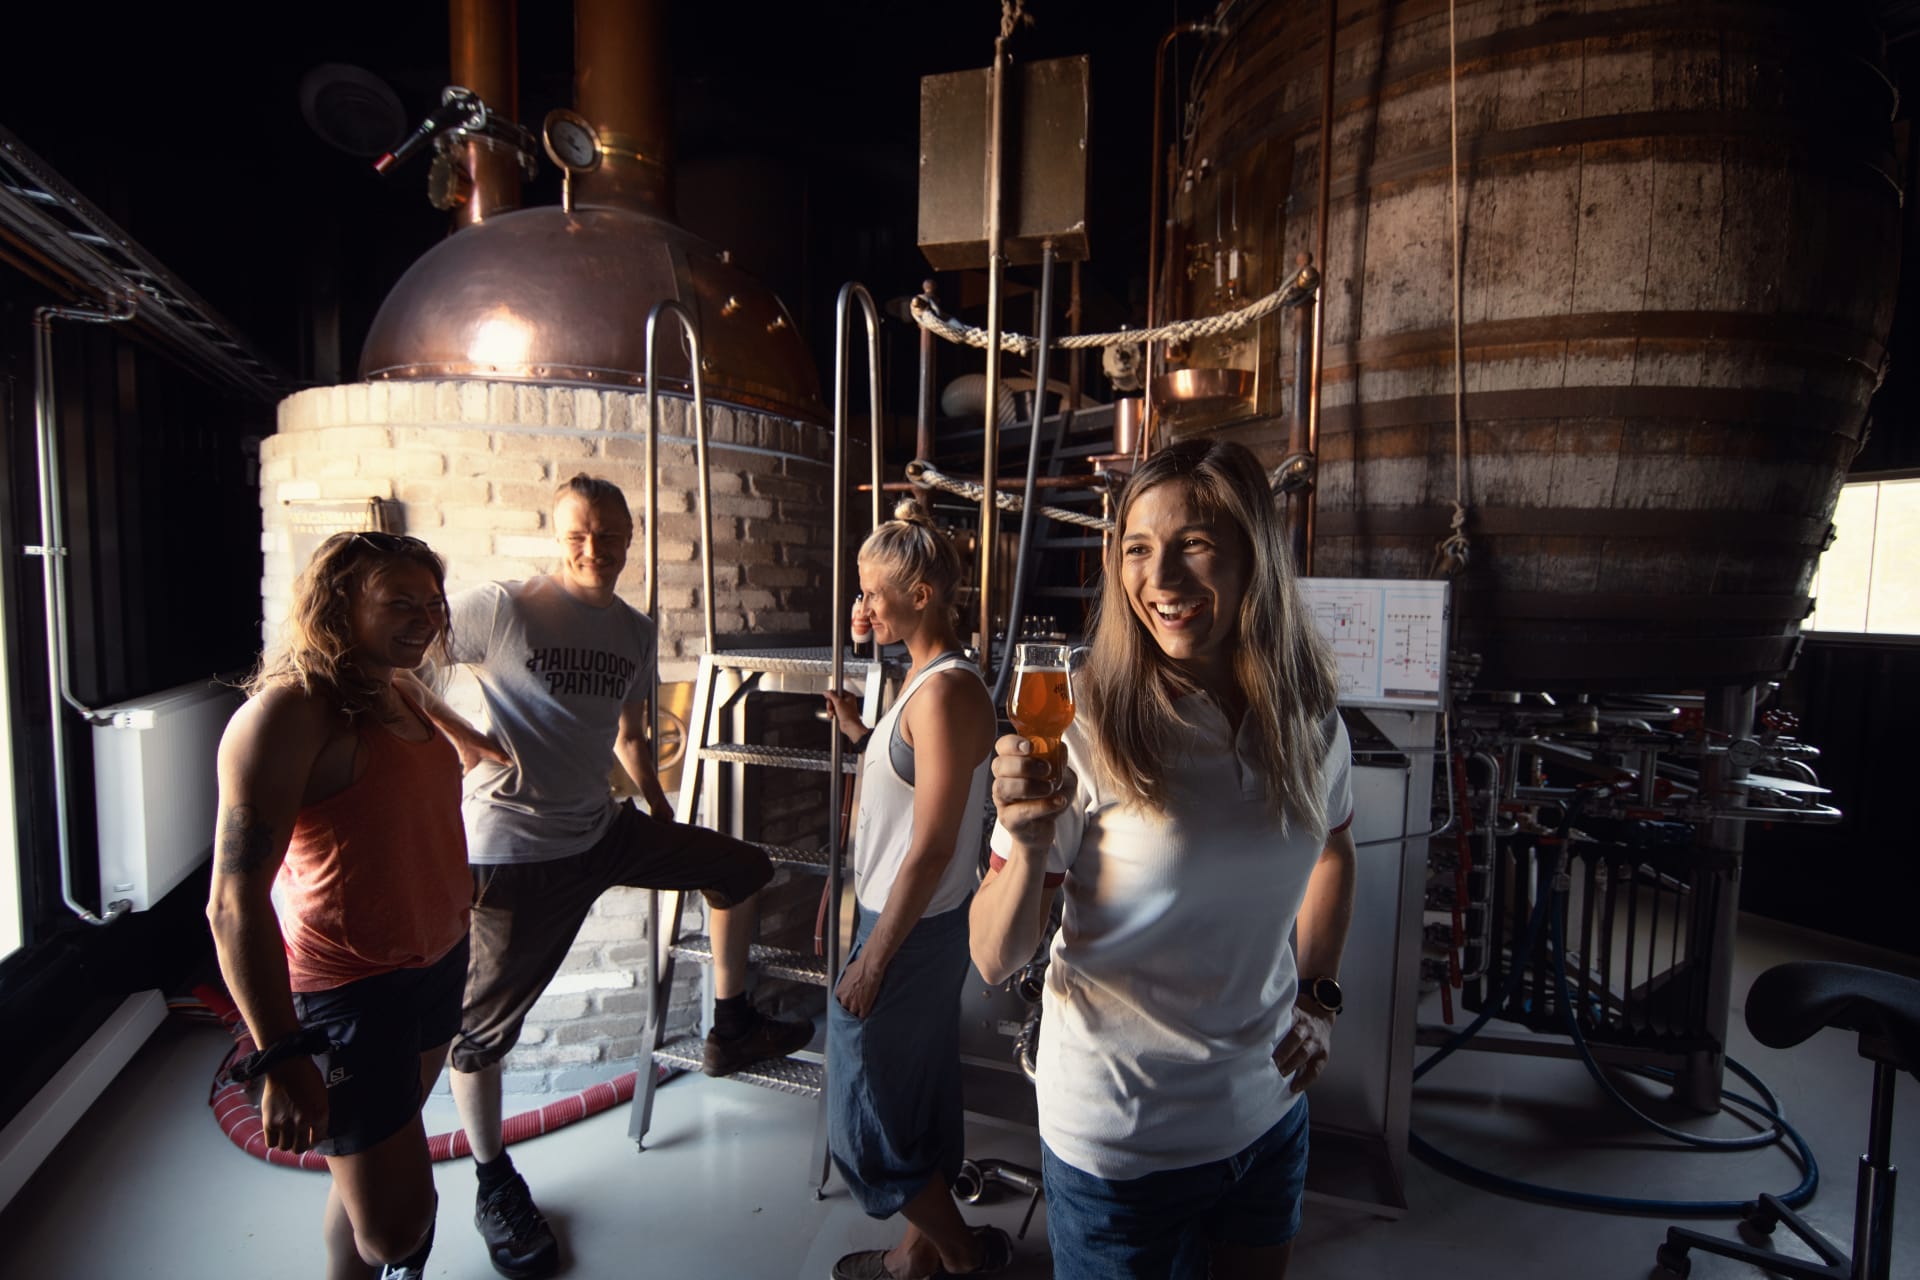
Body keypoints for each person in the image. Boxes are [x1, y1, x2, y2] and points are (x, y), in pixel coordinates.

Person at [408, 473, 813, 1280]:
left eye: (609, 534)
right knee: (482, 1034)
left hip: (604, 830)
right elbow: (398, 669)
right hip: (515, 853)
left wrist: (661, 814)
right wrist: (460, 738)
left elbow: (630, 738)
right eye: (578, 534)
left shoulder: (633, 629)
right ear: (557, 536)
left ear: (630, 536)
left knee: (741, 866)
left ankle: (729, 1025)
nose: (594, 549)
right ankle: (494, 1184)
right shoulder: (507, 607)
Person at [971, 438, 1358, 1280]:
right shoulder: (1085, 723)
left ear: (1254, 554)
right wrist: (1029, 836)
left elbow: (1331, 851)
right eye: (1139, 550)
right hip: (1124, 1144)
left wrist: (1320, 996)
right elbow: (995, 956)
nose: (1163, 581)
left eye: (1196, 546)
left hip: (1265, 1117)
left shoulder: (1311, 719)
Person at [207, 531, 471, 1280]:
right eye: (398, 602)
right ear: (338, 605)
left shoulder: (396, 688)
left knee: (370, 1171)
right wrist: (280, 1054)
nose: (425, 618)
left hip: (435, 964)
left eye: (431, 602)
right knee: (395, 1228)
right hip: (351, 992)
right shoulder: (289, 714)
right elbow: (232, 904)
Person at [821, 501, 1014, 1280]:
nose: (861, 607)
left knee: (865, 1122)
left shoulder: (944, 693)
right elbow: (916, 784)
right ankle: (918, 1260)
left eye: (872, 593)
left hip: (909, 927)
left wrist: (872, 961)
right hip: (909, 921)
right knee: (915, 1090)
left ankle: (964, 1257)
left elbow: (932, 846)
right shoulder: (921, 681)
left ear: (923, 594)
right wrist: (864, 738)